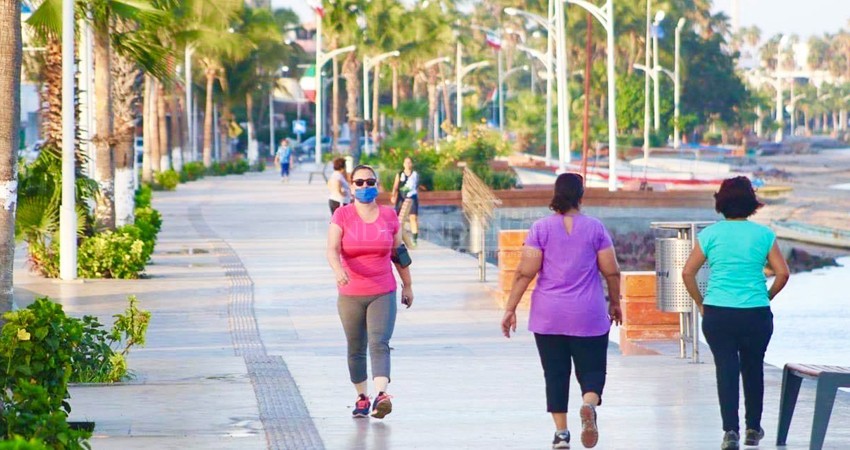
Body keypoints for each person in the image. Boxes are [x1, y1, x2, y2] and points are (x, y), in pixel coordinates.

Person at [501, 173, 622, 449]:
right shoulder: (596, 229)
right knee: (592, 372)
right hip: (588, 315)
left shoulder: (540, 229)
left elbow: (524, 273)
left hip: (548, 316)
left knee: (555, 373)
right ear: (581, 196)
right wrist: (615, 303)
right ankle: (589, 404)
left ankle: (561, 434)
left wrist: (510, 309)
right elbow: (612, 271)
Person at [682, 176, 790, 450]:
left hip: (719, 312)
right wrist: (767, 295)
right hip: (755, 313)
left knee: (726, 371)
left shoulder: (710, 235)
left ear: (721, 203)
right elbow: (782, 273)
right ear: (751, 204)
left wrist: (700, 303)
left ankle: (731, 431)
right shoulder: (763, 234)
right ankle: (753, 428)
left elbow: (687, 272)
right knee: (754, 368)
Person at [327, 164, 414, 420]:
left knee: (379, 342)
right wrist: (337, 270)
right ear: (351, 186)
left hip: (382, 290)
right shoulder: (342, 215)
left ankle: (381, 395)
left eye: (370, 182)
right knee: (356, 346)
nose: (365, 186)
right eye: (360, 182)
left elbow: (399, 254)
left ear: (376, 185)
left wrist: (407, 284)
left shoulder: (388, 216)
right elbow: (332, 249)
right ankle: (362, 397)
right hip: (350, 292)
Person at [390, 157, 420, 246]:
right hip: (401, 197)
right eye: (406, 162)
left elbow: (417, 186)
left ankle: (414, 239)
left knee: (413, 217)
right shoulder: (400, 174)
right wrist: (393, 196)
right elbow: (395, 186)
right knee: (397, 217)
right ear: (403, 164)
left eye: (409, 162)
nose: (408, 164)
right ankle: (396, 237)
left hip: (412, 197)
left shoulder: (415, 174)